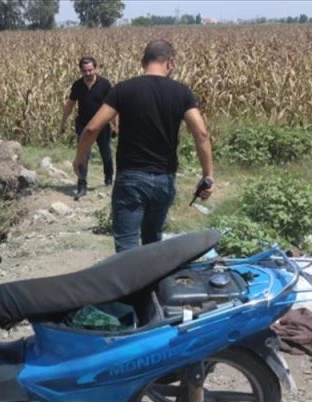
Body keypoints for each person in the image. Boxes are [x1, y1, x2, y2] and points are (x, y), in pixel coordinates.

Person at [73, 40, 215, 253]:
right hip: (164, 179)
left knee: (127, 244)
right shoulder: (182, 92)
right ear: (170, 63)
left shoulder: (123, 90)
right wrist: (208, 176)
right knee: (152, 241)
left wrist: (80, 158)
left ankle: (132, 276)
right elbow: (202, 134)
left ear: (142, 62)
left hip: (131, 178)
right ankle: (153, 275)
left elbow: (92, 128)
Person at [60, 56, 116, 200]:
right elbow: (70, 104)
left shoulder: (104, 84)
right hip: (83, 125)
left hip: (102, 125)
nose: (88, 73)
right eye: (85, 71)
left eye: (90, 70)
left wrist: (116, 125)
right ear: (81, 71)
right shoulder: (77, 85)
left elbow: (112, 106)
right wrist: (63, 122)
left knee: (106, 153)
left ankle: (109, 179)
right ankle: (82, 185)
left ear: (95, 68)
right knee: (83, 155)